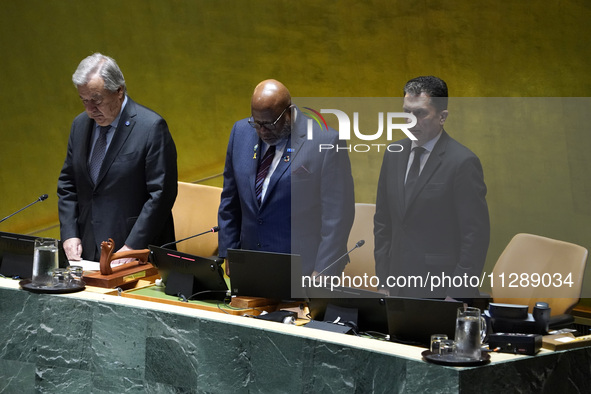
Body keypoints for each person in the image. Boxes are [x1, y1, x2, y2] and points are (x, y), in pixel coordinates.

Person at [218, 79, 355, 276]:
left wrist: (322, 271)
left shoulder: (325, 141)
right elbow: (229, 201)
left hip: (302, 270)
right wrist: (228, 251)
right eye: (257, 123)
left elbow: (337, 217)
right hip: (250, 264)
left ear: (289, 112)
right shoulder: (240, 133)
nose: (262, 131)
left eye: (269, 124)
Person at [373, 76, 490, 298]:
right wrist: (383, 280)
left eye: (420, 113)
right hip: (396, 285)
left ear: (442, 117)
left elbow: (475, 236)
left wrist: (458, 294)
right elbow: (382, 221)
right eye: (406, 112)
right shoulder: (393, 154)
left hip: (441, 288)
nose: (410, 120)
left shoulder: (462, 162)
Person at [58, 53, 178, 262]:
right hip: (87, 251)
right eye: (84, 100)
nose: (90, 110)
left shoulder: (151, 127)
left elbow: (161, 195)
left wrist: (132, 246)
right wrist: (69, 234)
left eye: (96, 100)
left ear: (119, 91)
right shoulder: (79, 125)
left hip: (134, 250)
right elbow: (68, 184)